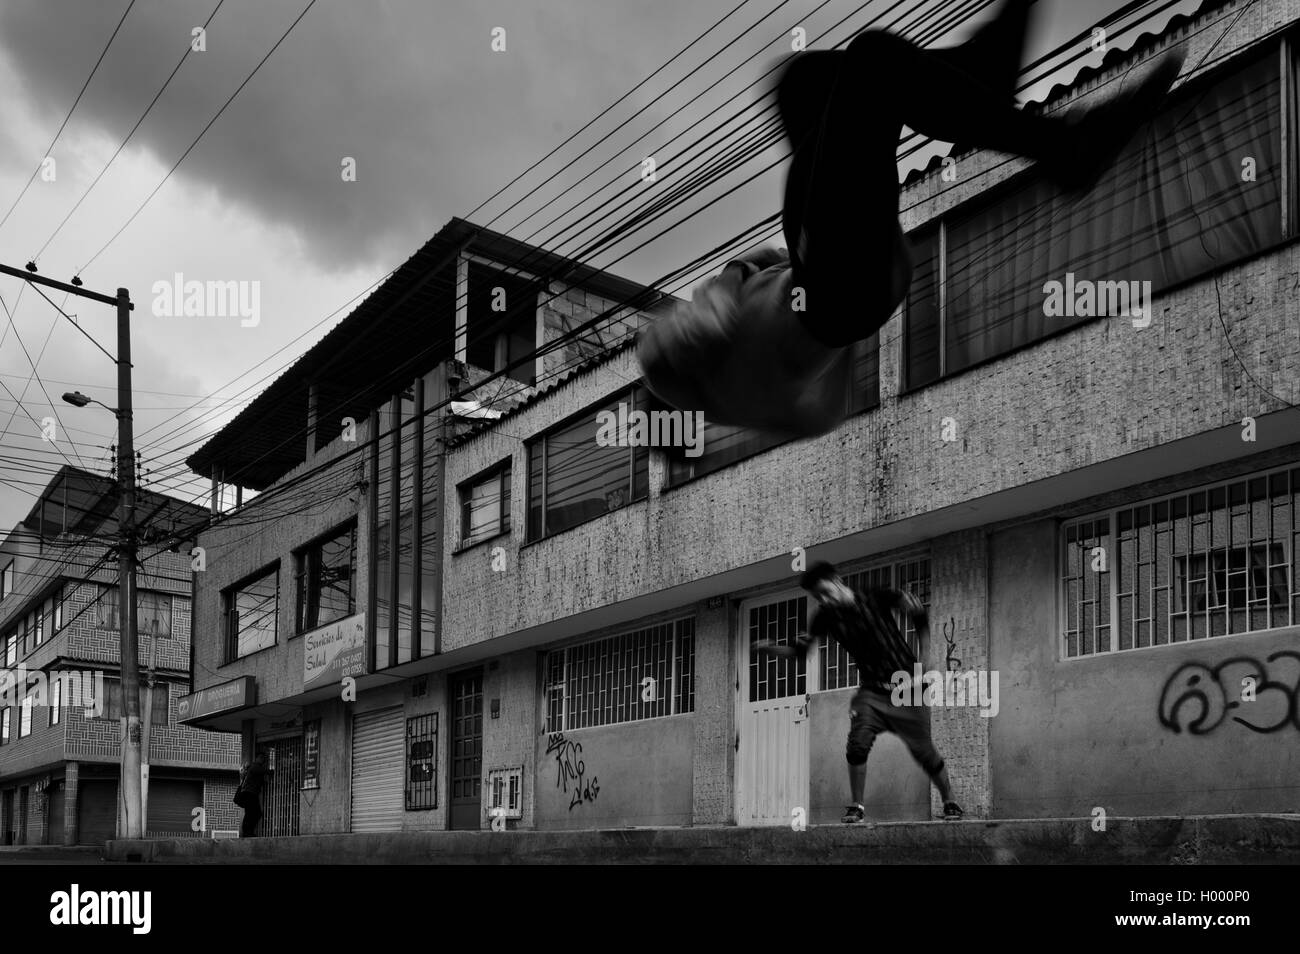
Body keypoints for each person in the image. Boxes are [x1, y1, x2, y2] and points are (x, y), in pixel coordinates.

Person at [637, 0, 1184, 437]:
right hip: (832, 283)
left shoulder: (755, 392)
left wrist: (842, 310)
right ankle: (1063, 149)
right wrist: (740, 283)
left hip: (842, 281)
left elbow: (823, 409)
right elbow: (712, 306)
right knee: (870, 63)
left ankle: (982, 74)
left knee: (807, 86)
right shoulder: (688, 365)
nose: (672, 321)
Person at [754, 560, 961, 823]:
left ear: (837, 580)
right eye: (817, 597)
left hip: (907, 688)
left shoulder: (875, 595)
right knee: (857, 744)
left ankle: (950, 800)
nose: (824, 600)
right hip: (871, 693)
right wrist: (769, 648)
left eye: (825, 592)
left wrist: (926, 658)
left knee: (924, 752)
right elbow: (800, 651)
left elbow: (918, 612)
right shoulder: (824, 616)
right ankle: (857, 806)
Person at [235, 754, 268, 837]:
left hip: (250, 793)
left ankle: (248, 831)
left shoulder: (253, 767)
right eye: (262, 758)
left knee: (253, 812)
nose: (264, 761)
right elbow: (263, 771)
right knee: (253, 812)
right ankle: (247, 831)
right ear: (258, 758)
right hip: (249, 793)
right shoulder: (255, 766)